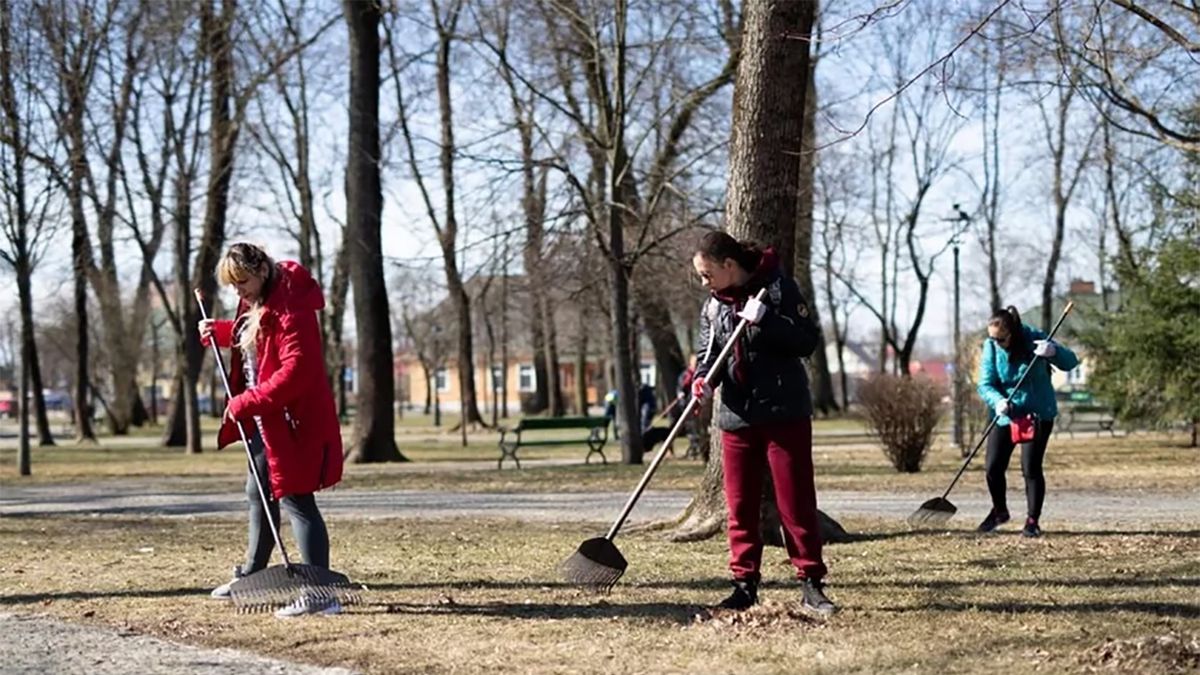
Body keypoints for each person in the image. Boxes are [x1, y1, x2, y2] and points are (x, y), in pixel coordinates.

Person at [689, 230, 835, 616]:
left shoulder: (777, 290)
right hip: (736, 416)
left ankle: (811, 581)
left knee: (796, 502)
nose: (704, 283)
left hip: (784, 412)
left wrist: (767, 319)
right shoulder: (713, 307)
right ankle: (744, 583)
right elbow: (708, 355)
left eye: (707, 274)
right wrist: (703, 379)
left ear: (729, 265)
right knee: (740, 506)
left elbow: (806, 341)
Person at [198, 242, 345, 618]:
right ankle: (254, 575)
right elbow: (258, 337)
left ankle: (321, 594)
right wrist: (221, 331)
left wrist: (246, 402)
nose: (238, 292)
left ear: (262, 271)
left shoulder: (292, 306)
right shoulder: (262, 298)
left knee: (297, 499)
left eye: (242, 282)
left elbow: (296, 371)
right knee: (258, 492)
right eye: (232, 285)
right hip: (268, 419)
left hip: (294, 421)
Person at [976, 306, 1078, 537]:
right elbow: (985, 383)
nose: (997, 343)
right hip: (1006, 412)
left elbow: (1071, 361)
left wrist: (1053, 352)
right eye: (993, 338)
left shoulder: (1035, 338)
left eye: (1001, 339)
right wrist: (998, 401)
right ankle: (999, 511)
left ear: (1013, 332)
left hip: (1037, 412)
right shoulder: (991, 346)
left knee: (1030, 467)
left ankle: (1033, 520)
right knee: (993, 467)